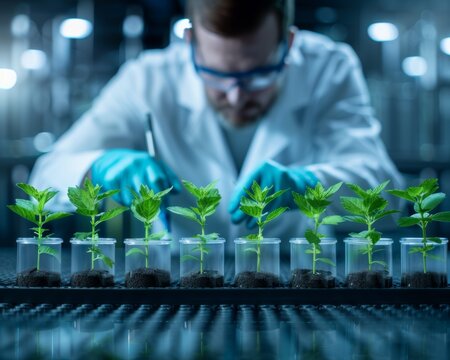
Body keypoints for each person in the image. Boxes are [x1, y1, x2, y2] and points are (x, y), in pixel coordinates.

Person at [29, 0, 404, 245]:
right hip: (175, 282)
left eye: (258, 75)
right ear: (191, 42)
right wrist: (98, 170)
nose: (237, 96)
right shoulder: (148, 79)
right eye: (217, 75)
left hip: (293, 278)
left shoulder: (328, 67)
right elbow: (44, 177)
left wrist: (310, 187)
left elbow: (383, 187)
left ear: (288, 44)